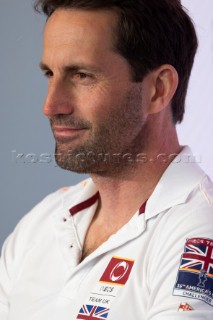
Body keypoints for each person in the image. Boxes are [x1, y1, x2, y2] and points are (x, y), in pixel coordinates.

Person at [0, 0, 213, 319]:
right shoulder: (40, 224)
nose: (51, 105)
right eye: (50, 73)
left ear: (157, 89)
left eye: (82, 75)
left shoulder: (199, 234)